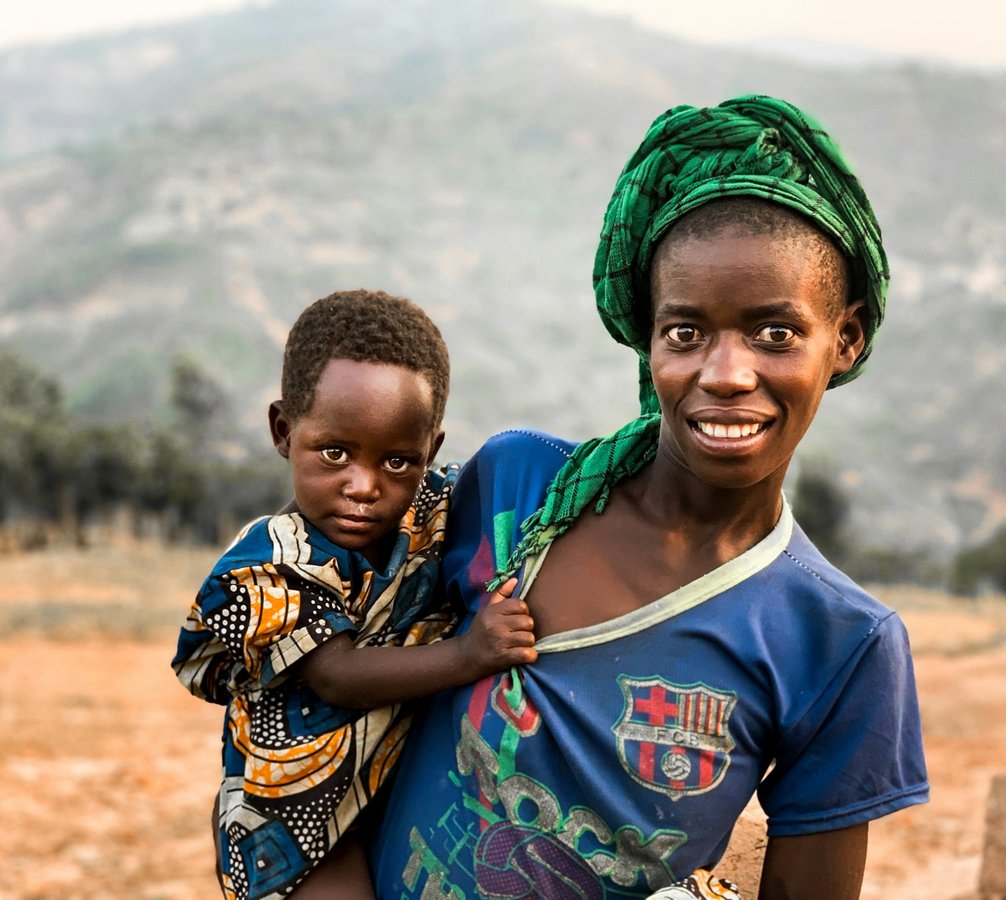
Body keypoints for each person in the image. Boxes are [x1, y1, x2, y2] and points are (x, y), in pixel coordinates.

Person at [367, 95, 929, 899]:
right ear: (648, 338)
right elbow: (338, 652)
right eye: (686, 333)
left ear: (846, 338)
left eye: (776, 333)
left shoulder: (839, 643)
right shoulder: (517, 491)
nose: (725, 374)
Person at [171, 290, 537, 900]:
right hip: (295, 828)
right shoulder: (264, 569)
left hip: (396, 785)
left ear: (431, 453)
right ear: (284, 431)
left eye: (398, 461)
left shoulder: (429, 512)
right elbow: (336, 675)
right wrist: (472, 655)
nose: (364, 487)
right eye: (335, 454)